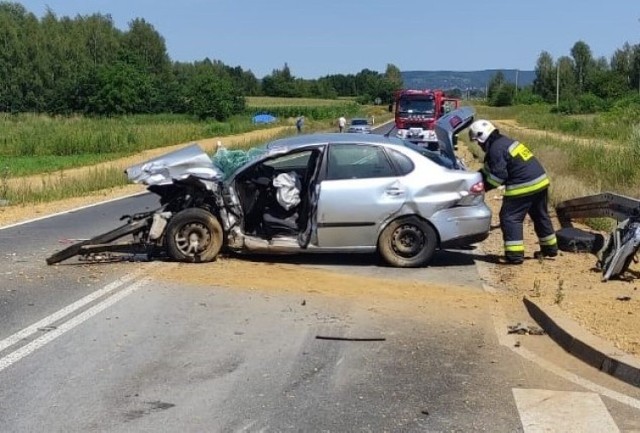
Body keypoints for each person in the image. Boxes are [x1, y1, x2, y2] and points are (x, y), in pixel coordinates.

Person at [468, 119, 558, 264]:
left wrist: (482, 188)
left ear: (482, 137)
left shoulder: (495, 149)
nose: (479, 145)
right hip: (540, 181)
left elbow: (498, 177)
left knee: (510, 218)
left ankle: (514, 255)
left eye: (478, 142)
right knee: (540, 215)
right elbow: (490, 168)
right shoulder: (504, 142)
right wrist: (476, 177)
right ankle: (550, 248)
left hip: (523, 185)